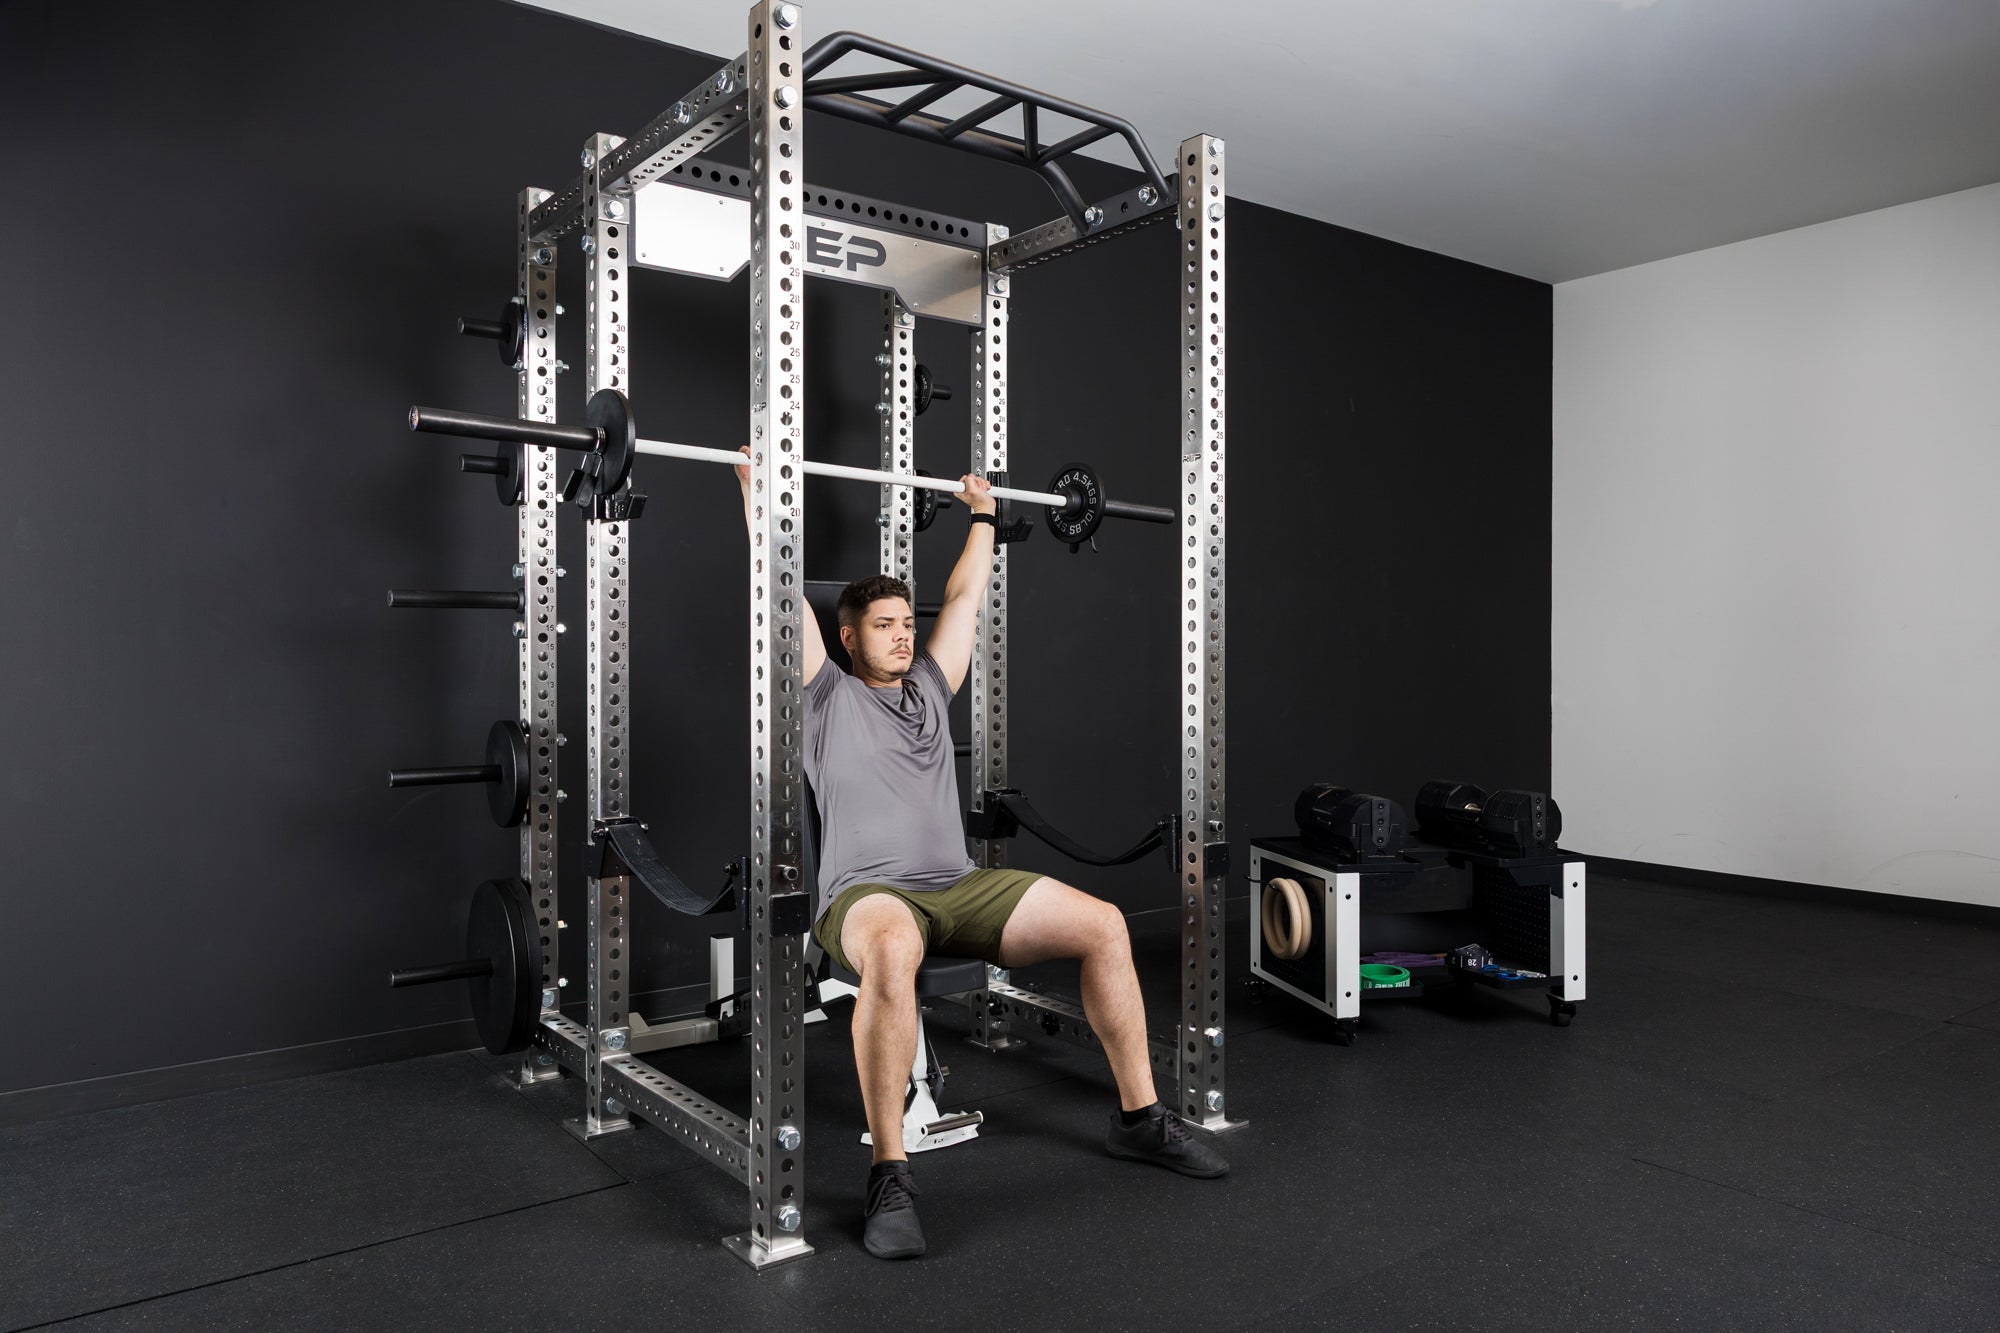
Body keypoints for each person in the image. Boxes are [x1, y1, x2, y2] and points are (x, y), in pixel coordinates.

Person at [736, 452, 1227, 1261]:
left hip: (960, 887)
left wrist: (984, 514)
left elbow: (964, 595)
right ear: (847, 636)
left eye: (905, 622)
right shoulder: (823, 693)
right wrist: (760, 496)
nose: (901, 635)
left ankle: (1139, 1118)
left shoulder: (932, 684)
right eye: (883, 626)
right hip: (866, 897)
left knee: (1104, 924)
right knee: (893, 948)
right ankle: (889, 1173)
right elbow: (777, 592)